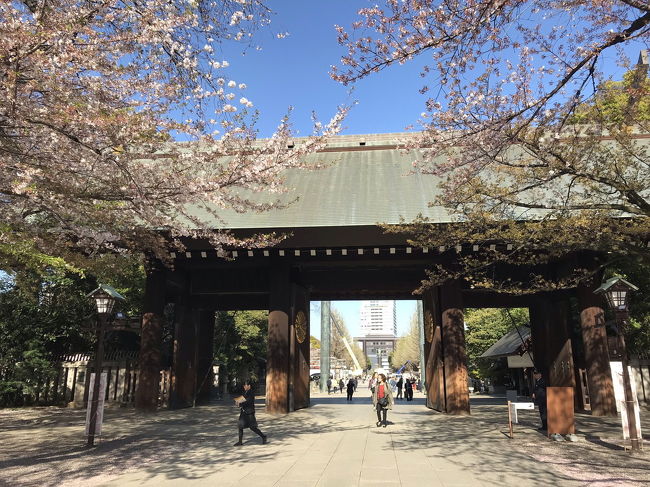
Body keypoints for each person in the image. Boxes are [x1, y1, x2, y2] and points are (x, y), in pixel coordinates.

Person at [233, 380, 267, 446]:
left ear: (249, 386)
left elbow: (248, 402)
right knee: (240, 426)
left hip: (249, 412)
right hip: (243, 412)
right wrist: (238, 403)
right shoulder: (244, 392)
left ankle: (263, 436)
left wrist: (240, 403)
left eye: (245, 386)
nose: (244, 387)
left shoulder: (251, 393)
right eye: (244, 386)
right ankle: (240, 441)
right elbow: (242, 399)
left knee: (253, 427)